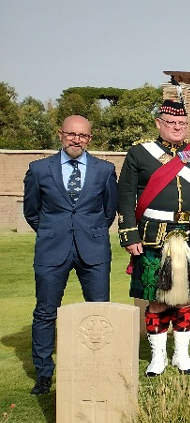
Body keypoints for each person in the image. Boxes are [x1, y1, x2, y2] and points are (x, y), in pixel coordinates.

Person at [118, 99, 190, 377]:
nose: (177, 128)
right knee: (156, 299)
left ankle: (182, 355)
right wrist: (129, 234)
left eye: (182, 124)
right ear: (159, 124)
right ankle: (158, 356)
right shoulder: (140, 153)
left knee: (185, 298)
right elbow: (126, 195)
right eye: (171, 123)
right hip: (154, 236)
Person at [23, 115, 118, 395]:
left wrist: (89, 230)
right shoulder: (39, 170)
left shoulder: (105, 170)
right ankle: (43, 374)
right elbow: (32, 212)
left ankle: (99, 370)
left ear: (90, 139)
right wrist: (55, 230)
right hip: (52, 249)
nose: (77, 140)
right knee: (45, 312)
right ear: (60, 134)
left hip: (94, 248)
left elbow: (108, 211)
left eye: (83, 136)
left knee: (99, 312)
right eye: (71, 134)